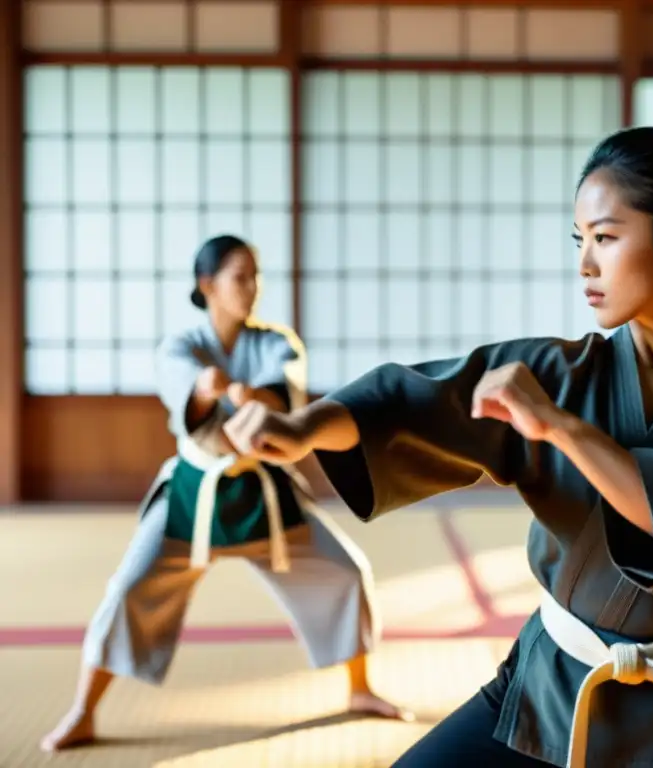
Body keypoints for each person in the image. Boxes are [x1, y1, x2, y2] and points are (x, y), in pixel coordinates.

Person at [221, 128, 653, 767]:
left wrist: (563, 429)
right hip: (554, 682)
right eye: (580, 241)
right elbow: (417, 400)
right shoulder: (557, 373)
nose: (585, 265)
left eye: (605, 237)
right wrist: (301, 431)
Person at [41, 235, 409, 752]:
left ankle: (359, 689)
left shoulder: (278, 341)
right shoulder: (180, 347)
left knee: (344, 572)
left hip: (265, 492)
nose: (252, 287)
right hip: (196, 493)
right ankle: (83, 710)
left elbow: (287, 399)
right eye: (240, 277)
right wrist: (204, 388)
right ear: (207, 285)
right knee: (129, 589)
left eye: (256, 275)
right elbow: (191, 406)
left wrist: (243, 393)